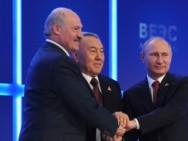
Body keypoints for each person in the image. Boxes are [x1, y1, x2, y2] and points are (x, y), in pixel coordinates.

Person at [18, 7, 125, 141]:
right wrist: (115, 126)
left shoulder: (45, 55)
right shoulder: (59, 61)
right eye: (75, 29)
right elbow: (85, 105)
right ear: (57, 29)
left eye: (80, 29)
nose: (80, 35)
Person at [123, 37, 188, 141]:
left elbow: (172, 111)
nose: (160, 60)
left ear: (171, 57)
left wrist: (136, 123)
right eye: (154, 54)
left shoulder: (185, 83)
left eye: (165, 55)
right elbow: (131, 134)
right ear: (142, 57)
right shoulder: (131, 94)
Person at [72, 31, 126, 141]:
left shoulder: (113, 86)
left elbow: (120, 129)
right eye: (93, 51)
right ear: (76, 56)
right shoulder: (70, 85)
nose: (99, 57)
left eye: (101, 52)